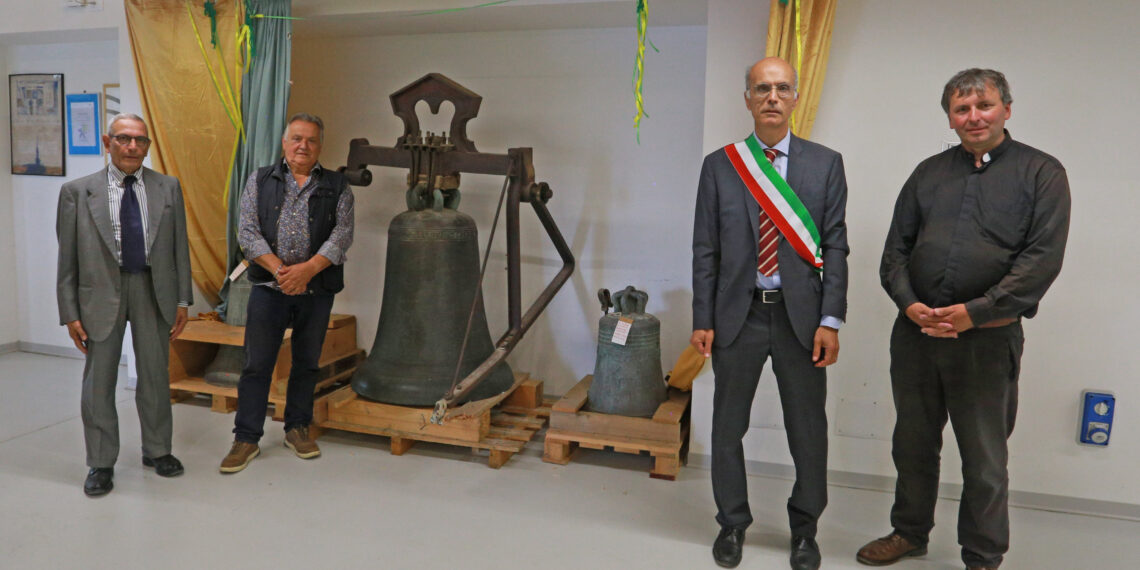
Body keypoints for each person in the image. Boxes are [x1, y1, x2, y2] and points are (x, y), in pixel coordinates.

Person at [858, 69, 1070, 570]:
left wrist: (974, 314)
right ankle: (909, 532)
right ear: (950, 118)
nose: (973, 117)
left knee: (985, 461)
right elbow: (895, 252)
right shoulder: (928, 173)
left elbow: (1041, 261)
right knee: (912, 444)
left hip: (987, 342)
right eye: (961, 109)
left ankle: (982, 555)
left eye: (984, 106)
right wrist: (910, 304)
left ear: (1006, 109)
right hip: (915, 337)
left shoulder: (1042, 173)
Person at [692, 57, 849, 570]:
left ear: (796, 97)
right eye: (762, 88)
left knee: (807, 429)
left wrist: (831, 320)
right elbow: (705, 249)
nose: (773, 97)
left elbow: (837, 247)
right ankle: (732, 523)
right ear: (747, 98)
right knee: (726, 427)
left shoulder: (825, 164)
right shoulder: (721, 165)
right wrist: (702, 318)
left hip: (801, 321)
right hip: (738, 317)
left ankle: (805, 531)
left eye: (782, 88)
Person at [56, 113, 193, 496]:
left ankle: (158, 450)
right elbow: (66, 259)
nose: (133, 147)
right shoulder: (77, 192)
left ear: (148, 146)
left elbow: (179, 247)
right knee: (99, 383)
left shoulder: (168, 188)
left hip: (154, 290)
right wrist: (70, 313)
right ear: (107, 141)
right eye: (124, 139)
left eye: (140, 140)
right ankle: (101, 463)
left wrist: (183, 299)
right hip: (99, 296)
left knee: (154, 376)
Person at [219, 113, 354, 473]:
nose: (303, 146)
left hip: (317, 288)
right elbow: (247, 231)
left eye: (310, 140)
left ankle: (297, 428)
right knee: (256, 364)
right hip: (269, 287)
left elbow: (342, 235)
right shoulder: (260, 180)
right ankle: (246, 438)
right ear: (284, 142)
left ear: (320, 146)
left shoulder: (337, 186)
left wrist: (307, 270)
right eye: (296, 138)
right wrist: (281, 271)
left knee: (307, 363)